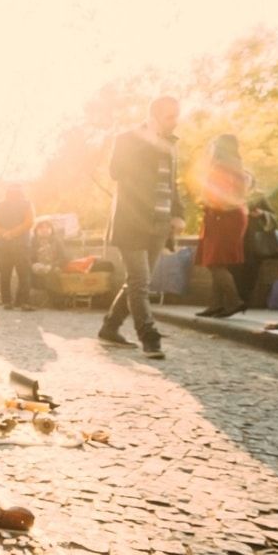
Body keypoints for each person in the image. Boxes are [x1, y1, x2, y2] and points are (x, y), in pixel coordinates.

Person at [97, 96, 185, 359]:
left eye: (176, 116)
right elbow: (115, 172)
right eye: (170, 116)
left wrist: (178, 214)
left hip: (159, 224)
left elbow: (172, 183)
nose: (175, 121)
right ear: (155, 116)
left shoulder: (172, 144)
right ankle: (149, 337)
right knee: (140, 282)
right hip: (131, 221)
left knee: (136, 283)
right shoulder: (127, 139)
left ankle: (109, 328)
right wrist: (147, 141)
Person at [192, 134, 251, 318]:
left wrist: (205, 200)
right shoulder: (237, 166)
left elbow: (219, 195)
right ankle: (216, 304)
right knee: (217, 261)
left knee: (214, 262)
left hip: (222, 217)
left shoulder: (221, 167)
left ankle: (234, 301)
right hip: (232, 216)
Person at [0, 185, 36, 310]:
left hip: (4, 245)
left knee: (5, 274)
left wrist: (4, 233)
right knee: (23, 274)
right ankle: (22, 302)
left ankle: (7, 301)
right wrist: (12, 233)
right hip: (20, 245)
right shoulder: (26, 204)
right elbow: (29, 222)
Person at [29, 219, 69, 292]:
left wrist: (51, 266)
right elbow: (26, 258)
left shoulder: (57, 241)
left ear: (51, 230)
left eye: (47, 227)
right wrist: (33, 265)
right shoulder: (31, 242)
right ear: (36, 230)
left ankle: (56, 301)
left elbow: (64, 258)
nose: (45, 230)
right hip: (36, 272)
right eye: (41, 227)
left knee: (52, 277)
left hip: (52, 270)